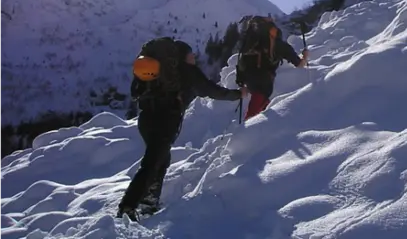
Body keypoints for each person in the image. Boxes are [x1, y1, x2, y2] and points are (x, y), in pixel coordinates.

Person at [117, 38, 244, 221]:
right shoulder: (187, 71)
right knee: (152, 163)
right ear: (183, 56)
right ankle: (127, 207)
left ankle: (149, 202)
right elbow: (211, 90)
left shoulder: (158, 70)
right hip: (166, 120)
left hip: (146, 119)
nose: (194, 58)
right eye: (191, 54)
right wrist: (238, 94)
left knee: (161, 159)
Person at [235, 16, 310, 121]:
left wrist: (241, 81)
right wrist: (305, 57)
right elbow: (299, 64)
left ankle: (260, 126)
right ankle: (247, 127)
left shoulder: (251, 41)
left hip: (248, 80)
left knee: (262, 106)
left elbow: (241, 60)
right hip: (264, 81)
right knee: (256, 110)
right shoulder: (276, 43)